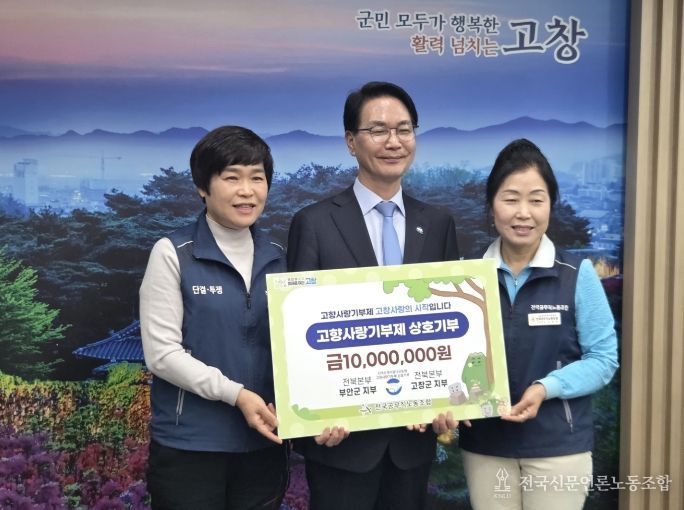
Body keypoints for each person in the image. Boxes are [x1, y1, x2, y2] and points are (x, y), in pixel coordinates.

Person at [287, 81, 461, 510]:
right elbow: (297, 329)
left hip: (412, 443)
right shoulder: (314, 223)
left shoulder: (438, 223)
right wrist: (314, 412)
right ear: (351, 141)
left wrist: (451, 401)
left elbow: (451, 324)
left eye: (404, 129)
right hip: (341, 444)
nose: (393, 142)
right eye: (378, 130)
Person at [459, 138, 619, 510]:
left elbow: (603, 359)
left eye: (536, 200)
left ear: (550, 205)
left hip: (558, 446)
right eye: (510, 199)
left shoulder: (576, 274)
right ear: (492, 205)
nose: (523, 213)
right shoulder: (467, 275)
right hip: (486, 446)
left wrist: (546, 388)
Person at [139, 126, 288, 510]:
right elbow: (162, 355)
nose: (247, 191)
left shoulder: (280, 255)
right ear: (202, 187)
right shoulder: (174, 253)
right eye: (232, 178)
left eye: (257, 178)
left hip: (263, 443)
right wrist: (236, 395)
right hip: (191, 446)